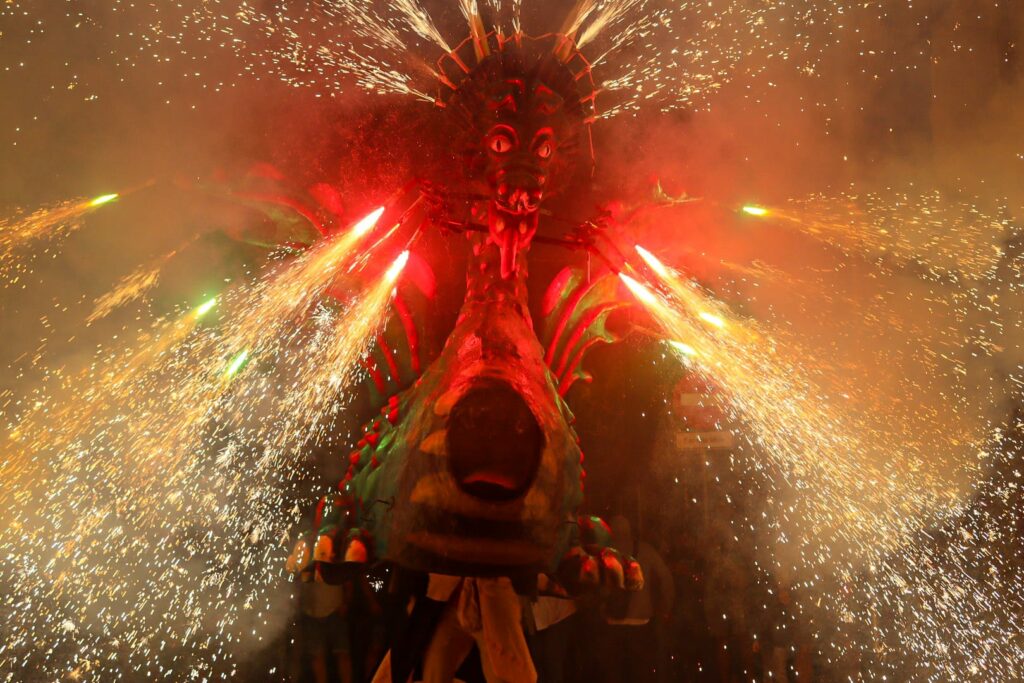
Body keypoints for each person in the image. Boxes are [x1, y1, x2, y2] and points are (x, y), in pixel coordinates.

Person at [600, 515, 675, 683]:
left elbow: (599, 588)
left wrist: (601, 607)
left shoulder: (605, 553)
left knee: (615, 674)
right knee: (640, 674)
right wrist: (665, 607)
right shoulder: (645, 550)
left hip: (612, 623)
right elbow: (666, 578)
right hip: (641, 623)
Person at [297, 576, 353, 683]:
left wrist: (346, 601)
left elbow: (347, 579)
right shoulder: (305, 565)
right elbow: (298, 582)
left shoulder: (335, 564)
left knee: (342, 653)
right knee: (317, 656)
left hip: (335, 610)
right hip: (311, 612)